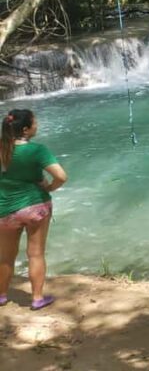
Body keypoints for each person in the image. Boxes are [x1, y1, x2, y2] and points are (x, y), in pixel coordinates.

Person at [0, 109, 68, 311]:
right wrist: (48, 187)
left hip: (5, 208)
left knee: (4, 256)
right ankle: (37, 298)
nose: (37, 126)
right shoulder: (37, 150)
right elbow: (61, 176)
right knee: (36, 254)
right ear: (26, 129)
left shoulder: (2, 148)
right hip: (35, 207)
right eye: (35, 123)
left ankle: (2, 295)